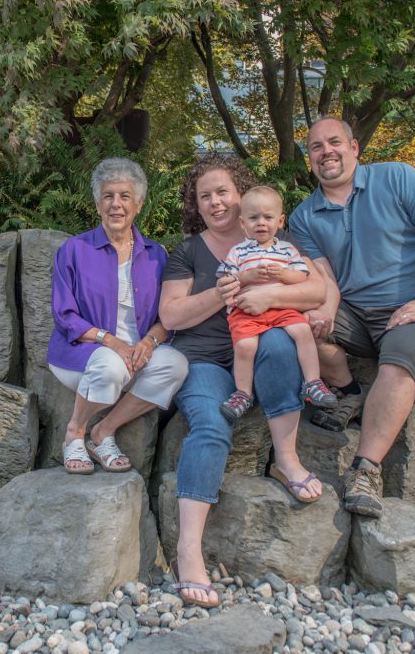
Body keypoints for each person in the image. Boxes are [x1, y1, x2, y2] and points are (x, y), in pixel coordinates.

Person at [158, 155, 325, 608]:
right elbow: (170, 314)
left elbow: (316, 290)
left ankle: (286, 460)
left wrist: (271, 292)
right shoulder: (188, 251)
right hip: (206, 361)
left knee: (279, 344)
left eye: (223, 192)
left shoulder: (274, 239)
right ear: (196, 203)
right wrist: (224, 290)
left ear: (242, 195)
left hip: (259, 350)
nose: (215, 202)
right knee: (212, 423)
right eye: (204, 195)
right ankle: (188, 549)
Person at [290, 116, 415, 519]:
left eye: (334, 142)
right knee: (294, 322)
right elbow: (324, 277)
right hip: (355, 312)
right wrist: (324, 313)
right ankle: (350, 394)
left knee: (400, 359)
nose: (325, 152)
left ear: (355, 148)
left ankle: (365, 469)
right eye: (316, 147)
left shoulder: (398, 178)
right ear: (310, 159)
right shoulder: (304, 215)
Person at [48, 158, 189, 474]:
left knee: (176, 365)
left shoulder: (156, 255)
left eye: (125, 196)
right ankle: (75, 433)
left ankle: (103, 432)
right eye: (108, 196)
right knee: (110, 363)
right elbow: (64, 315)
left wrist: (150, 343)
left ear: (138, 204)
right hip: (81, 355)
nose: (116, 204)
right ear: (97, 204)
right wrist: (111, 342)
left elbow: (168, 316)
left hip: (135, 357)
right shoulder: (74, 250)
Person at [217, 186, 338, 421]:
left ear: (280, 221)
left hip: (281, 308)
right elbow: (225, 278)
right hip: (246, 310)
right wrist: (247, 277)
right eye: (253, 218)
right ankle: (243, 393)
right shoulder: (238, 251)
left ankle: (313, 382)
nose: (261, 223)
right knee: (245, 347)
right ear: (243, 224)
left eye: (268, 217)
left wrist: (284, 274)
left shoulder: (287, 250)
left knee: (302, 331)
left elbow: (302, 276)